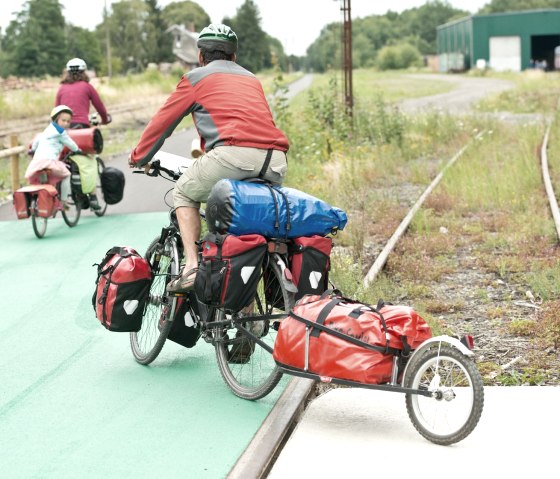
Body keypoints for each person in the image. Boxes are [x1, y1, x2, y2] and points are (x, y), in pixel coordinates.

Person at [129, 23, 289, 294]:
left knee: (184, 192)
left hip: (233, 155)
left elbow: (162, 124)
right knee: (241, 219)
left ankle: (191, 267)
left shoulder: (195, 78)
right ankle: (246, 307)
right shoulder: (252, 79)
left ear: (200, 56)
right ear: (234, 57)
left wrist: (139, 157)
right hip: (275, 159)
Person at [25, 105, 80, 207]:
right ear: (56, 120)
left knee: (43, 180)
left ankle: (42, 199)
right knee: (66, 175)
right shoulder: (61, 132)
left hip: (37, 162)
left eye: (68, 121)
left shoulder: (46, 130)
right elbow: (70, 143)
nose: (66, 123)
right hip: (49, 161)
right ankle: (64, 202)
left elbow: (37, 140)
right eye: (63, 120)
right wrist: (77, 150)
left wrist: (33, 149)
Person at [55, 58, 111, 129]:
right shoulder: (87, 87)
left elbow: (56, 111)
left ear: (67, 73)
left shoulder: (61, 88)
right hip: (82, 125)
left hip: (64, 127)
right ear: (84, 72)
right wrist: (105, 120)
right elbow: (99, 106)